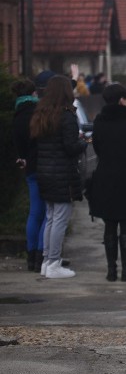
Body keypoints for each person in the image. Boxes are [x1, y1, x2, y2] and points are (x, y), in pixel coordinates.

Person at [87, 83, 126, 282]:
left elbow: (96, 146)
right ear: (122, 100)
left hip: (105, 174)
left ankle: (111, 271)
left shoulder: (99, 121)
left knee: (109, 223)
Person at [30, 75, 89, 279]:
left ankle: (47, 261)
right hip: (62, 173)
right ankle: (54, 263)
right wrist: (85, 142)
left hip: (44, 171)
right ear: (65, 91)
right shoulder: (67, 115)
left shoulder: (41, 113)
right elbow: (71, 147)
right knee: (60, 219)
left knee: (50, 217)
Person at [12, 77, 45, 272]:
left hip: (29, 168)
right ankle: (42, 255)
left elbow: (18, 144)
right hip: (44, 166)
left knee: (34, 212)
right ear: (33, 93)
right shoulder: (38, 113)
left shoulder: (17, 115)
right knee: (49, 214)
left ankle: (31, 256)